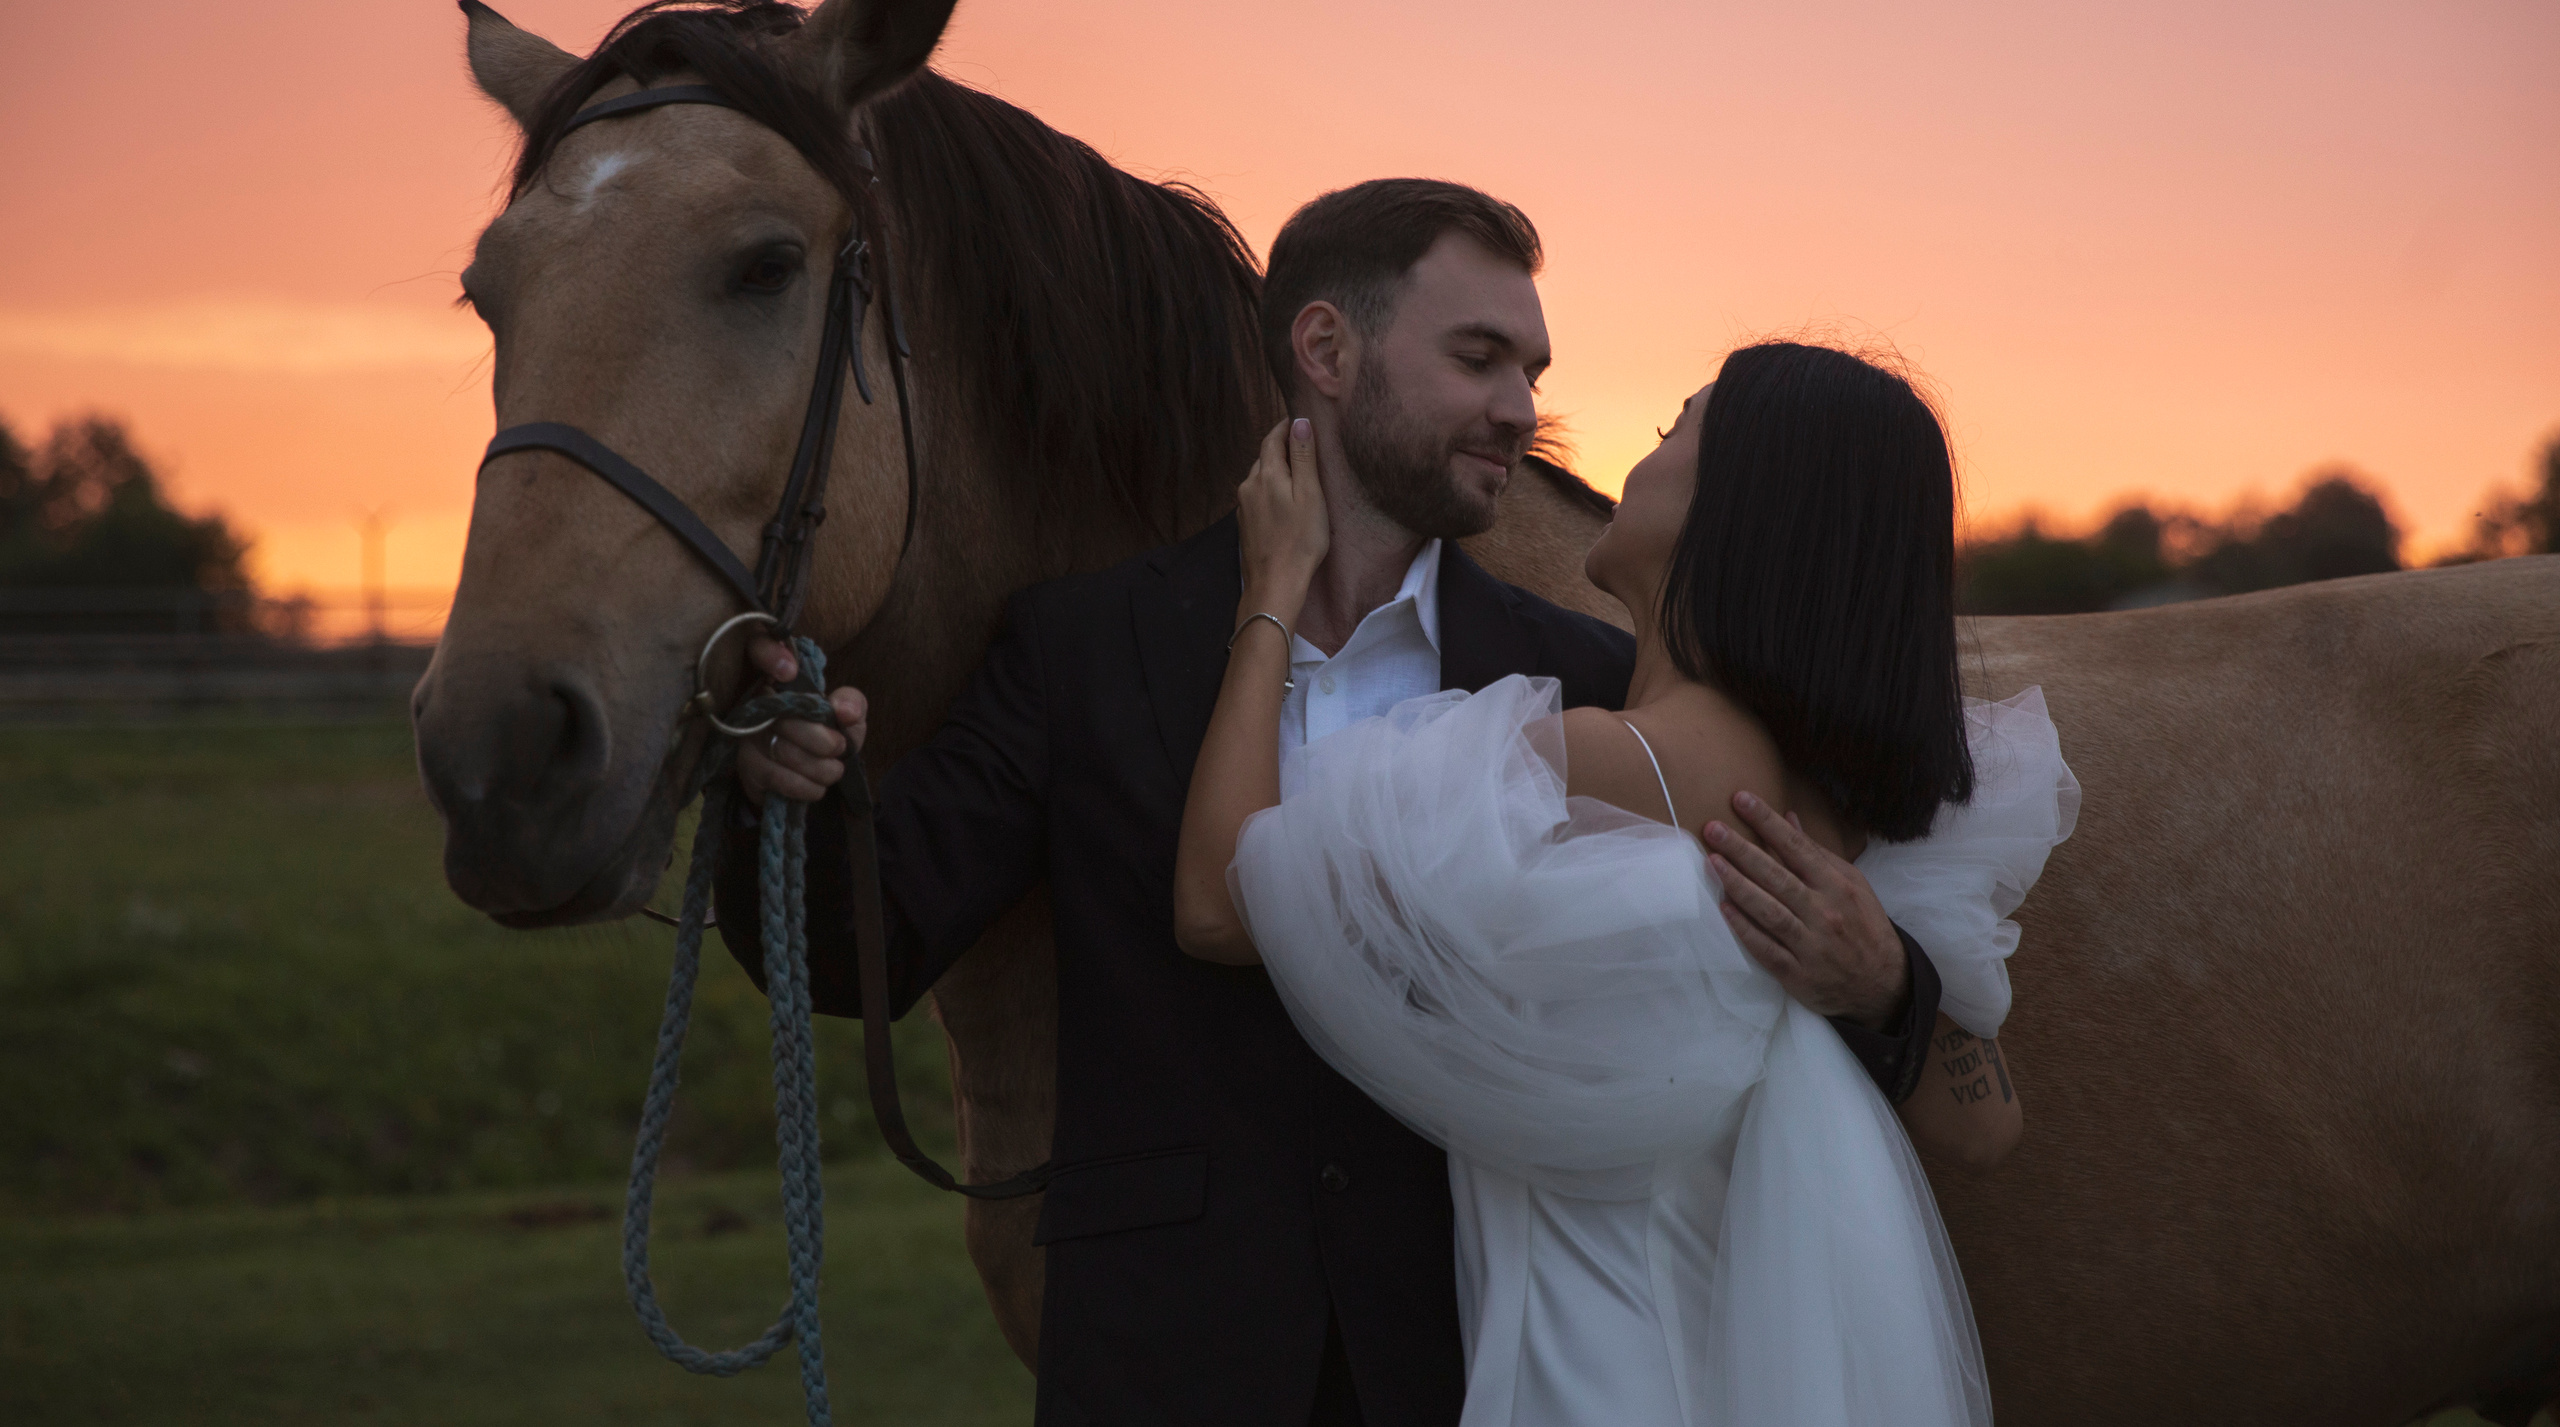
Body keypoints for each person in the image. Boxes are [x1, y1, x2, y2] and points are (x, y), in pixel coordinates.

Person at [731, 184, 1952, 1427]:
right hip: (1164, 1361)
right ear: (1325, 351)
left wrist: (1893, 985)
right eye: (1478, 358)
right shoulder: (1085, 644)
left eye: (1529, 369)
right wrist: (780, 790)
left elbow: (1770, 973)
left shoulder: (1586, 683)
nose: (1521, 413)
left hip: (1473, 1360)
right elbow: (857, 948)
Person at [1171, 341, 2080, 1426]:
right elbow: (1987, 1127)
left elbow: (1219, 901)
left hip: (1593, 1371)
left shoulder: (1589, 768)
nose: (1631, 460)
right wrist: (1888, 981)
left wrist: (1269, 592)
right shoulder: (1860, 804)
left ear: (1735, 506)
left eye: (1667, 432)